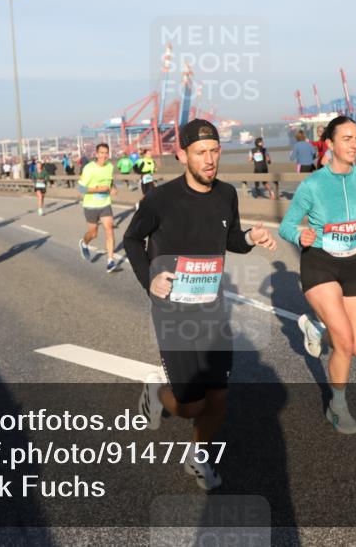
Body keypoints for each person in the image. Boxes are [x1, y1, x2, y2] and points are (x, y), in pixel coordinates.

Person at [125, 119, 277, 490]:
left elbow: (229, 239)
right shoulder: (159, 200)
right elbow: (131, 240)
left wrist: (250, 237)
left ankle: (198, 456)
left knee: (219, 401)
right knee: (192, 405)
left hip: (211, 309)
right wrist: (151, 279)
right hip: (172, 312)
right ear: (182, 156)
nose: (209, 160)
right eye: (200, 152)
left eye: (214, 151)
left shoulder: (227, 194)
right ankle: (157, 394)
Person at [278, 115, 356, 435]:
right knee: (343, 341)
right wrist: (300, 237)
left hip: (354, 262)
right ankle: (337, 405)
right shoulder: (312, 185)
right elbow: (286, 225)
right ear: (330, 144)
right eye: (347, 139)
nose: (354, 145)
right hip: (320, 263)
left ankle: (315, 326)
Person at [78, 143, 122, 272]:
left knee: (109, 229)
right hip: (90, 205)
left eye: (106, 153)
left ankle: (110, 262)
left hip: (105, 204)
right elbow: (80, 188)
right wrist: (98, 189)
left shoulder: (110, 166)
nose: (104, 155)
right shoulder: (89, 168)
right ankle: (84, 243)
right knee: (93, 233)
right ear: (96, 154)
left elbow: (110, 181)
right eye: (101, 153)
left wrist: (113, 188)